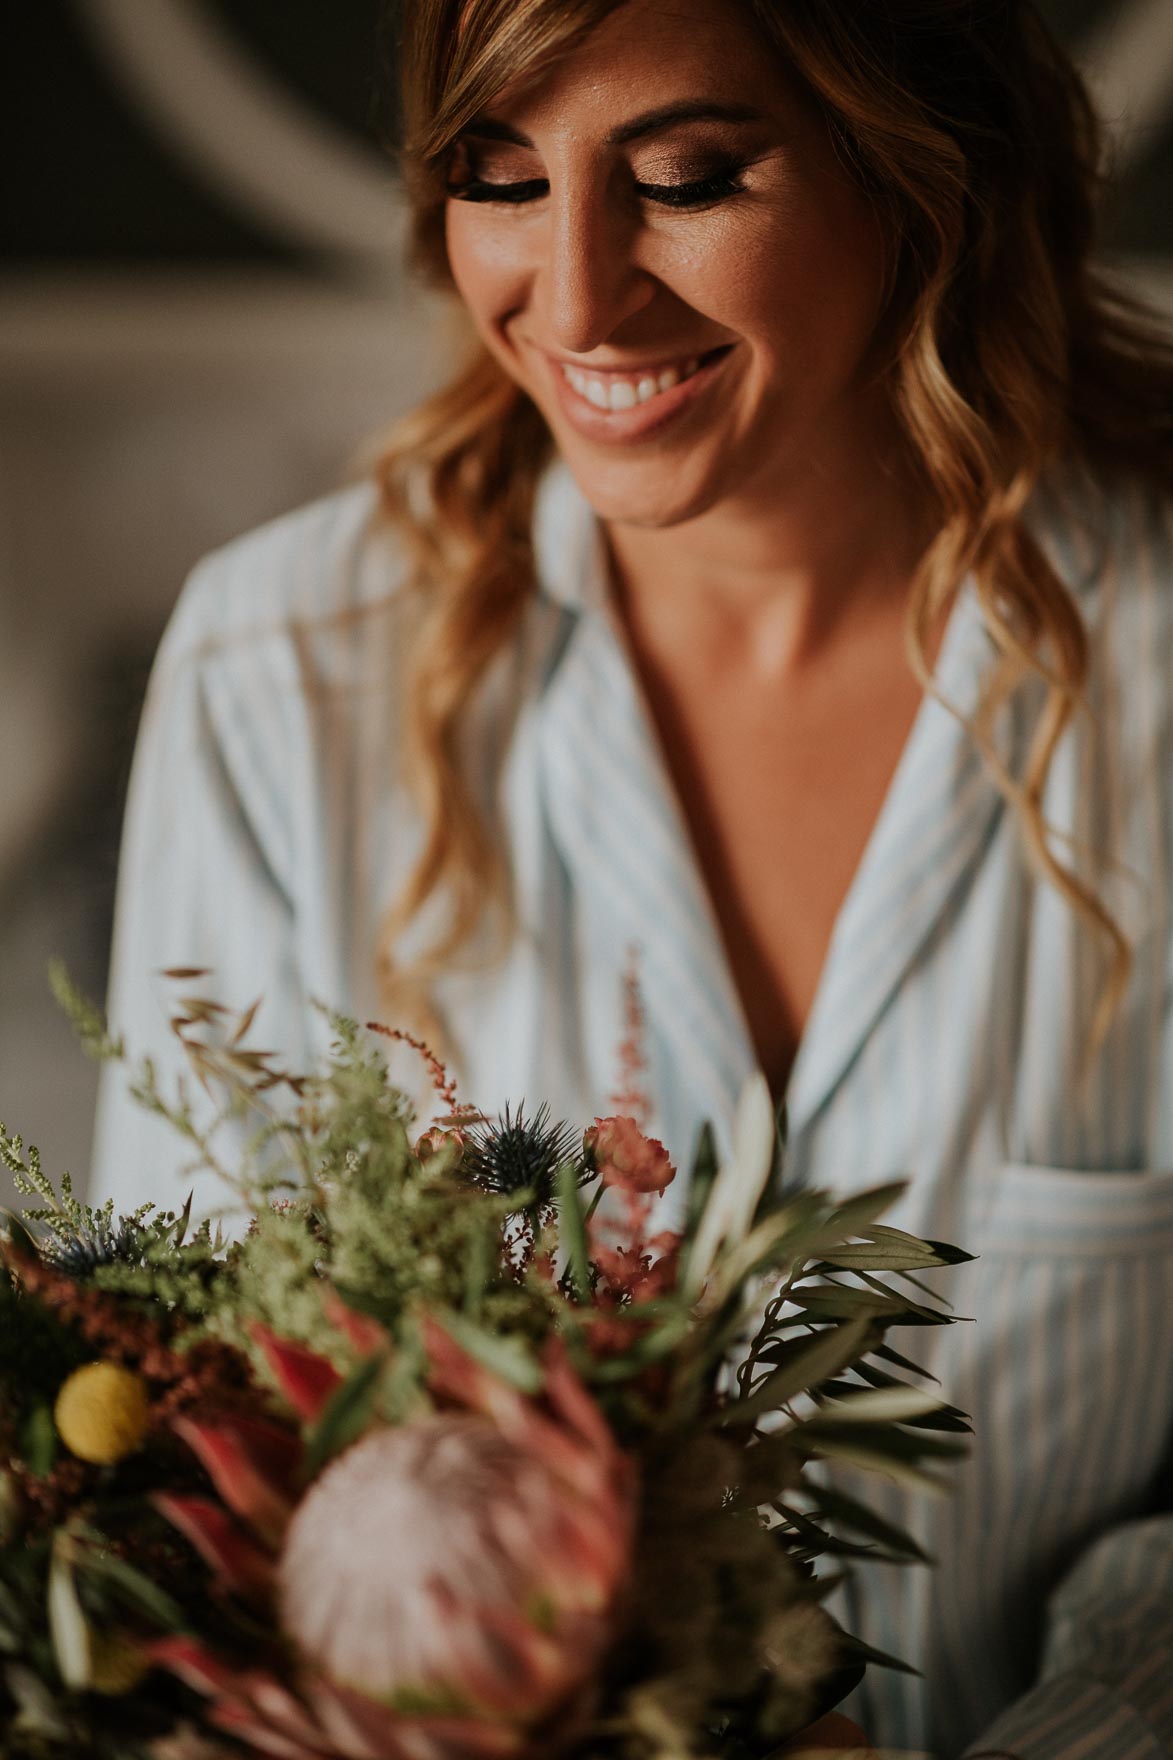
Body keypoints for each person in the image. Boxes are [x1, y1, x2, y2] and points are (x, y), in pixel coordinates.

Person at [91, 0, 1173, 1755]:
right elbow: (187, 1442)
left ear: (927, 177)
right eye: (500, 178)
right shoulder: (287, 664)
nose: (579, 300)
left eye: (685, 178)